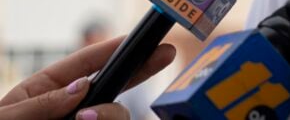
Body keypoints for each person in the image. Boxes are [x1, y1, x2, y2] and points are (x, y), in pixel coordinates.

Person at [0, 37, 174, 120]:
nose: (94, 43)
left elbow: (144, 114)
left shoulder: (136, 85)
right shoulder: (67, 79)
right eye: (89, 38)